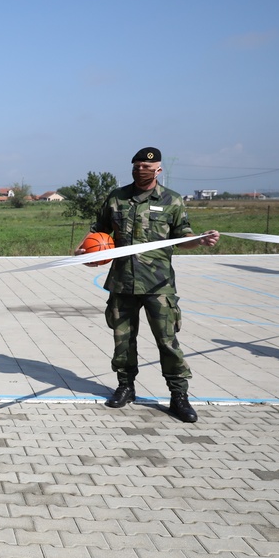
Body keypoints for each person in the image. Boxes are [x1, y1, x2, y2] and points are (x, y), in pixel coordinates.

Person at [79, 146, 219, 423]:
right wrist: (83, 250)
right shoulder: (117, 197)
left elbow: (183, 237)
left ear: (158, 170)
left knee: (167, 342)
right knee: (123, 342)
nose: (141, 170)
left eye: (146, 166)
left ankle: (179, 396)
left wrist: (200, 240)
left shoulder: (172, 200)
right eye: (137, 166)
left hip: (159, 284)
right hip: (122, 283)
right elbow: (99, 231)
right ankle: (125, 387)